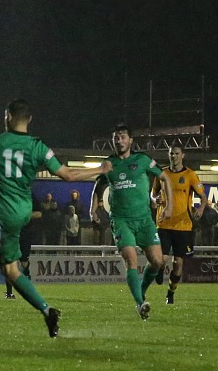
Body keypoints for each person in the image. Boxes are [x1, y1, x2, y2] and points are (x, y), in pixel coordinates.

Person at [0, 99, 111, 338]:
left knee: (10, 270)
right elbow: (69, 175)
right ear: (29, 119)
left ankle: (47, 309)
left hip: (5, 212)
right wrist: (100, 170)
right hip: (23, 210)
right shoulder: (38, 146)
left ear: (7, 116)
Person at [92, 124, 173, 320]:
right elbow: (99, 185)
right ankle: (140, 303)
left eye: (122, 137)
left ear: (130, 141)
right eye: (116, 138)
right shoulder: (109, 164)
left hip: (144, 219)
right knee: (131, 259)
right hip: (121, 220)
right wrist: (93, 207)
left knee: (157, 261)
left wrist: (169, 206)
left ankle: (141, 292)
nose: (119, 141)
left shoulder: (143, 160)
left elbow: (165, 178)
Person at [150, 143, 207, 305]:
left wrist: (201, 209)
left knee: (178, 263)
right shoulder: (162, 174)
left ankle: (170, 293)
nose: (173, 156)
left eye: (176, 153)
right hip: (163, 223)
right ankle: (160, 268)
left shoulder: (190, 175)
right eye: (171, 154)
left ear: (182, 156)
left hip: (183, 226)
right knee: (162, 257)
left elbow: (203, 197)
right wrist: (155, 199)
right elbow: (153, 195)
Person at [5, 193, 41, 299]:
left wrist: (25, 216)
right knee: (10, 261)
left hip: (25, 232)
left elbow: (39, 213)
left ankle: (27, 286)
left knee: (24, 261)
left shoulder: (30, 196)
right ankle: (9, 292)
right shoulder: (9, 195)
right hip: (11, 232)